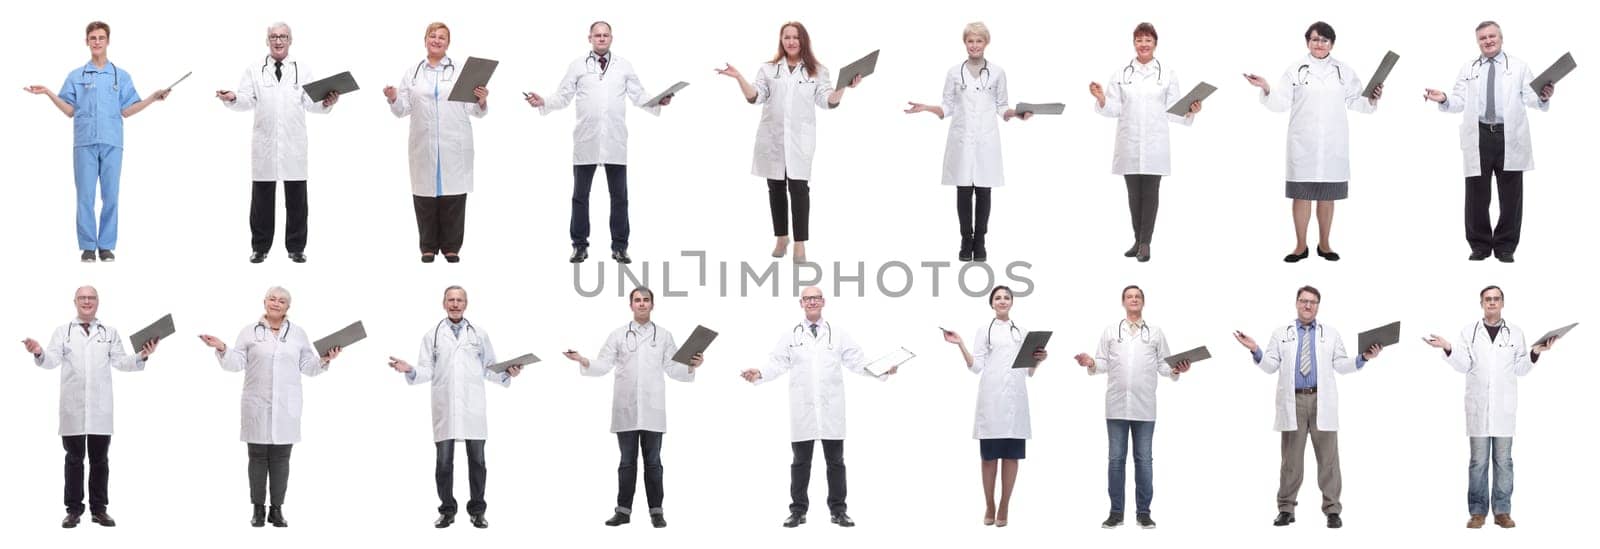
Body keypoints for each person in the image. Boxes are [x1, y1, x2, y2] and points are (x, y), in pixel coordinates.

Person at [740, 286, 897, 528]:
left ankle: (838, 511)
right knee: (800, 463)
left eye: (816, 298)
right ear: (800, 303)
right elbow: (777, 363)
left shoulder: (839, 334)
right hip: (803, 411)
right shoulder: (791, 335)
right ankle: (798, 511)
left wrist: (882, 369)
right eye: (807, 299)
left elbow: (857, 361)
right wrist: (759, 373)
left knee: (836, 463)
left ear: (823, 301)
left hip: (831, 410)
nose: (812, 302)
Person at [1232, 285, 1383, 528]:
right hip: (1294, 402)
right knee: (1291, 460)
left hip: (1321, 400)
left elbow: (1341, 365)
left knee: (1329, 459)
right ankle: (1286, 508)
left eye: (1312, 302)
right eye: (1303, 301)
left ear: (1318, 306)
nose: (1307, 305)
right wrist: (1255, 349)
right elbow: (1270, 366)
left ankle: (1332, 510)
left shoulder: (1330, 333)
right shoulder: (1281, 333)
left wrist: (1363, 358)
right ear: (1296, 303)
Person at [715, 21, 864, 264]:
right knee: (775, 188)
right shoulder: (768, 69)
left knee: (798, 189)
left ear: (803, 40)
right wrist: (738, 78)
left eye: (796, 37)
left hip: (799, 141)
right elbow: (755, 97)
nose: (791, 41)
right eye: (787, 37)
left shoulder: (817, 70)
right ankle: (782, 237)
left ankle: (800, 242)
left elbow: (828, 101)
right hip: (772, 138)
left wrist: (844, 87)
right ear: (781, 40)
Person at [24, 21, 170, 263]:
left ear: (108, 41)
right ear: (87, 41)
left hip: (112, 142)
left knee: (111, 196)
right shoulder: (76, 76)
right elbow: (69, 110)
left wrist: (153, 98)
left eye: (101, 37)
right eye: (93, 37)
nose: (97, 41)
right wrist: (49, 93)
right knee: (85, 196)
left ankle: (106, 246)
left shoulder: (120, 76)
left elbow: (128, 110)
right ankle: (88, 247)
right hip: (85, 143)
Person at [527, 22, 672, 265]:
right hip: (587, 140)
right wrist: (544, 101)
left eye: (605, 35)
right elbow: (563, 96)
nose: (602, 39)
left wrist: (658, 101)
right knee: (580, 196)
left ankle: (620, 247)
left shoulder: (624, 66)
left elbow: (639, 95)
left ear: (611, 38)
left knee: (620, 197)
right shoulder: (577, 66)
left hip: (615, 141)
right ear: (590, 38)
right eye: (597, 35)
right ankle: (579, 246)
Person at [198, 286, 342, 528]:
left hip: (286, 406)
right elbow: (235, 364)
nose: (276, 303)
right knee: (256, 459)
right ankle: (257, 510)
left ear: (288, 307)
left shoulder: (298, 334)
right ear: (264, 302)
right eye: (272, 299)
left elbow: (308, 366)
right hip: (257, 405)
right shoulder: (249, 332)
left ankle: (276, 510)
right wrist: (222, 347)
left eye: (282, 301)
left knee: (281, 460)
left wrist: (326, 359)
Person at [562, 287, 703, 528]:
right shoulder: (618, 335)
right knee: (627, 462)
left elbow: (673, 368)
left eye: (646, 300)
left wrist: (692, 366)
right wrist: (583, 360)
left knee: (654, 463)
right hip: (626, 409)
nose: (641, 304)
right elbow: (603, 364)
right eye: (637, 300)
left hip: (653, 409)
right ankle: (623, 511)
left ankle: (656, 512)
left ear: (652, 305)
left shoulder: (665, 336)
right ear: (631, 305)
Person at [1244, 21, 1382, 263]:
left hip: (1332, 145)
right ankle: (1300, 246)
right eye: (1315, 39)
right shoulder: (1296, 69)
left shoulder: (1344, 71)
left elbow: (1357, 101)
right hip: (1303, 145)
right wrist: (1266, 88)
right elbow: (1280, 103)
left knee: (1327, 196)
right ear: (1307, 41)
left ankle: (1325, 244)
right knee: (1302, 196)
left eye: (1325, 40)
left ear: (1332, 44)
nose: (1320, 44)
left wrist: (1372, 97)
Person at [23, 286, 158, 528]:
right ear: (74, 301)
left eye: (91, 298)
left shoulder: (110, 332)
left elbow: (121, 362)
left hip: (100, 409)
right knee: (74, 460)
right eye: (82, 298)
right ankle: (74, 510)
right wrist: (38, 351)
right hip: (72, 409)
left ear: (98, 302)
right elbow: (51, 361)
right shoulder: (62, 332)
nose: (87, 301)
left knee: (100, 460)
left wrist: (142, 355)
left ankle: (99, 510)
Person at [387, 286, 522, 529]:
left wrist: (507, 373)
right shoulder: (432, 335)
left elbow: (489, 367)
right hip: (445, 407)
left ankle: (477, 511)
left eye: (459, 300)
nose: (455, 304)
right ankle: (447, 510)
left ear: (466, 304)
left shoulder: (479, 334)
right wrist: (409, 369)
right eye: (451, 299)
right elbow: (426, 370)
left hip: (473, 407)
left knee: (478, 462)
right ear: (444, 303)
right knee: (443, 463)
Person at [1423, 286, 1558, 528]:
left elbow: (1521, 369)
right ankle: (1477, 512)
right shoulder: (1469, 332)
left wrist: (1536, 352)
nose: (1492, 303)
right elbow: (1463, 365)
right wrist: (1447, 347)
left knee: (1504, 462)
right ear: (1481, 303)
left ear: (1503, 303)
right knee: (1478, 462)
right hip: (1478, 408)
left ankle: (1502, 512)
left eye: (1496, 299)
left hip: (1504, 410)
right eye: (1488, 299)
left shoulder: (1515, 333)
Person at [1423, 22, 1555, 263]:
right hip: (1480, 135)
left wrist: (1543, 97)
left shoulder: (1519, 67)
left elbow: (1531, 98)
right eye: (1482, 38)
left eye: (1491, 36)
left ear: (1501, 38)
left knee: (1511, 195)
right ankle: (1480, 245)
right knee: (1476, 195)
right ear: (1478, 42)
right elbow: (1459, 100)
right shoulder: (1469, 67)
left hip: (1509, 136)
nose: (1488, 40)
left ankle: (1505, 246)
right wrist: (1443, 99)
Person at [905, 22, 1030, 263]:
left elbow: (1002, 106)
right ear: (965, 43)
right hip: (961, 140)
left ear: (986, 43)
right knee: (963, 192)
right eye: (970, 41)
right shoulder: (954, 72)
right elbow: (947, 106)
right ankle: (965, 239)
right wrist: (927, 108)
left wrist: (1017, 113)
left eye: (979, 41)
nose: (974, 45)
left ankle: (980, 241)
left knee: (984, 192)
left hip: (986, 140)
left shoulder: (998, 73)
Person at [217, 22, 340, 264]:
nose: (278, 40)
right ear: (267, 41)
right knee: (261, 200)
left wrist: (327, 102)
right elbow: (245, 99)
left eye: (283, 36)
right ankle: (260, 248)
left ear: (290, 40)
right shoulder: (254, 69)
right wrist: (232, 98)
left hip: (293, 145)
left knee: (297, 200)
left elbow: (311, 102)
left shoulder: (302, 69)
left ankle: (296, 248)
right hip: (265, 143)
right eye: (273, 36)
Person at [1072, 285, 1191, 529]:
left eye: (1137, 296)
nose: (1133, 299)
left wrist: (1178, 368)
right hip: (1116, 406)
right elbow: (1102, 363)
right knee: (1116, 460)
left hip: (1144, 407)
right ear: (1123, 302)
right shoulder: (1110, 331)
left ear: (1143, 302)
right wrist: (1090, 361)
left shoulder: (1155, 333)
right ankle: (1116, 512)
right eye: (1129, 296)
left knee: (1144, 460)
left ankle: (1144, 513)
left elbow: (1164, 365)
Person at [1089, 23, 1201, 263]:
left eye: (1148, 40)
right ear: (1134, 43)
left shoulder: (1167, 74)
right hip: (1129, 143)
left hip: (1154, 144)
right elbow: (1114, 109)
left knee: (1150, 194)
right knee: (1133, 196)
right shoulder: (1121, 73)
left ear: (1155, 44)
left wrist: (1191, 111)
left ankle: (1145, 244)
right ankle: (1137, 240)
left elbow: (1173, 111)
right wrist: (1101, 99)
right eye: (1139, 40)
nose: (1143, 44)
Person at [941, 285, 1045, 527]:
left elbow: (1029, 371)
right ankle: (989, 503)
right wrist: (960, 344)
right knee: (989, 459)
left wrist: (1038, 361)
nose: (1002, 301)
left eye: (1006, 297)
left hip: (1016, 401)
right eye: (998, 298)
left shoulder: (1023, 332)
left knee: (1011, 458)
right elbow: (976, 366)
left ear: (1012, 302)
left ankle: (1005, 505)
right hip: (992, 400)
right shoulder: (984, 331)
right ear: (991, 303)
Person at [385, 22, 489, 263]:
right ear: (425, 40)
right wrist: (392, 98)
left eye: (442, 37)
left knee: (454, 197)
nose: (437, 40)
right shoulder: (413, 72)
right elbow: (402, 110)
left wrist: (482, 100)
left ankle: (452, 247)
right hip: (424, 143)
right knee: (424, 196)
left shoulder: (461, 70)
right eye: (433, 36)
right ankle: (428, 246)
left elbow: (474, 109)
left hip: (454, 142)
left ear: (448, 43)